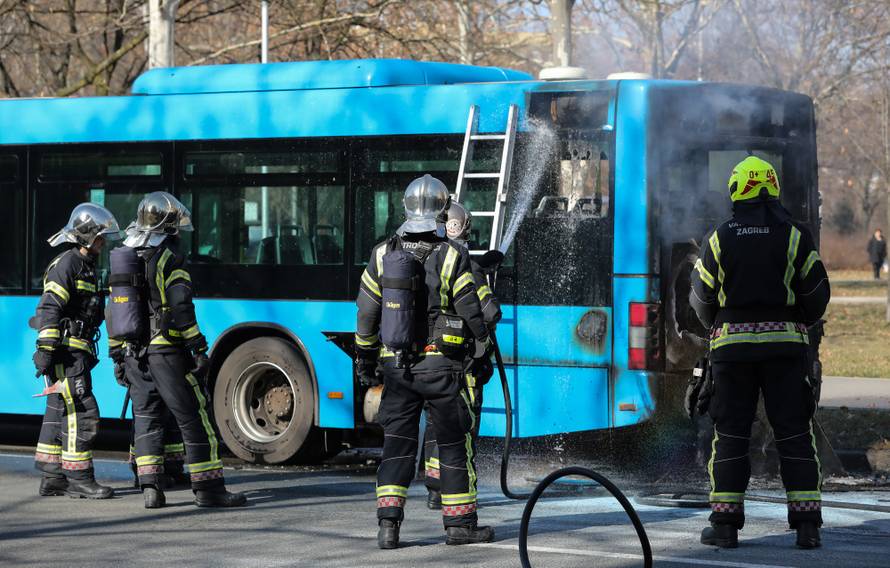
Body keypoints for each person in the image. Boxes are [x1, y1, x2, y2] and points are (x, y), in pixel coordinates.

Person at [690, 156, 830, 549]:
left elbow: (701, 299)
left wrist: (721, 322)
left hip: (732, 352)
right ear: (773, 186)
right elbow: (818, 295)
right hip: (785, 349)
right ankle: (807, 528)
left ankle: (725, 526)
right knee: (794, 430)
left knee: (731, 432)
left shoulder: (720, 237)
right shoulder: (795, 235)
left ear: (736, 189)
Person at [355, 175, 495, 549]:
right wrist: (481, 347)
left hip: (397, 369)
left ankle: (388, 527)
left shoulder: (382, 253)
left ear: (405, 207)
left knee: (396, 446)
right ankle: (459, 525)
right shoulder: (452, 254)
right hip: (441, 369)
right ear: (442, 209)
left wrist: (365, 359)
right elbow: (469, 306)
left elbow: (367, 313)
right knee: (451, 443)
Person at [110, 191, 246, 509]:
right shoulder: (169, 258)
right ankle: (210, 488)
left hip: (134, 352)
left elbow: (112, 311)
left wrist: (117, 353)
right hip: (166, 351)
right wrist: (198, 348)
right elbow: (181, 307)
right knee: (194, 417)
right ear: (169, 226)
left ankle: (151, 488)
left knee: (146, 417)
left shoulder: (126, 256)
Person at [33, 203, 121, 499]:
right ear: (86, 235)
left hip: (76, 351)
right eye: (99, 237)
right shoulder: (67, 264)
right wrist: (45, 350)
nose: (103, 242)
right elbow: (49, 308)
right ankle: (79, 478)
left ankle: (53, 476)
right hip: (66, 353)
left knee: (59, 408)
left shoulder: (85, 265)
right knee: (81, 411)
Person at [423, 202, 501, 510]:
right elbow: (487, 311)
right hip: (465, 361)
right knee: (464, 428)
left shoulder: (429, 258)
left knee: (435, 422)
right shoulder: (465, 264)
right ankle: (459, 493)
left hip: (433, 359)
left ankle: (433, 488)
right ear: (462, 228)